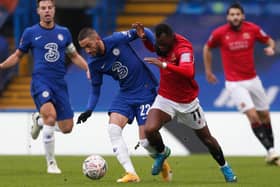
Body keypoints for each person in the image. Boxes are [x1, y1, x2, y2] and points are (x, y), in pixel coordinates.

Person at [133, 22, 237, 182]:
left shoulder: (184, 48)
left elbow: (189, 72)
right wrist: (144, 40)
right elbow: (154, 48)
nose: (161, 48)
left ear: (172, 39)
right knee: (149, 129)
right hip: (165, 98)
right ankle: (162, 154)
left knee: (207, 139)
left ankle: (225, 167)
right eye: (159, 44)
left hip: (187, 102)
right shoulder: (161, 42)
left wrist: (165, 65)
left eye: (164, 45)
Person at [0, 0, 89, 174]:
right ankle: (51, 164)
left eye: (49, 8)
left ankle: (38, 121)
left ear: (54, 10)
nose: (47, 11)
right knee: (51, 116)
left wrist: (88, 68)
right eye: (43, 8)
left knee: (67, 128)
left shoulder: (64, 33)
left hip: (60, 84)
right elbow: (18, 55)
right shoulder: (30, 32)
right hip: (41, 82)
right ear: (38, 11)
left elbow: (74, 55)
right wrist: (2, 65)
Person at [76, 26, 172, 183]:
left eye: (88, 45)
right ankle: (131, 173)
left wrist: (156, 46)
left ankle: (162, 157)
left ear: (97, 39)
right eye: (83, 48)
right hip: (125, 94)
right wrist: (89, 109)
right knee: (113, 129)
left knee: (145, 142)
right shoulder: (93, 64)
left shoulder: (116, 39)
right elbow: (95, 89)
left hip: (145, 90)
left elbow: (142, 31)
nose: (87, 50)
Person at [203, 3, 279, 166]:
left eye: (238, 14)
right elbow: (207, 48)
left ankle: (270, 150)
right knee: (252, 115)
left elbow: (269, 41)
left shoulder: (252, 29)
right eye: (232, 14)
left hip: (253, 79)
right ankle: (272, 151)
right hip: (235, 83)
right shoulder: (220, 33)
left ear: (243, 16)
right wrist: (208, 71)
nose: (235, 17)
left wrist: (271, 48)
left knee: (265, 115)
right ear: (227, 17)